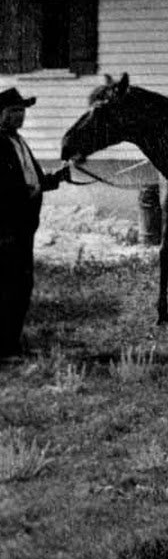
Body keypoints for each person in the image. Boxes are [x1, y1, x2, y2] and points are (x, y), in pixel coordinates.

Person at [1, 87, 70, 360]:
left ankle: (12, 343)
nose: (19, 116)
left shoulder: (20, 142)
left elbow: (34, 181)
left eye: (22, 111)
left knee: (22, 285)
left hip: (24, 228)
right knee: (6, 287)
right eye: (13, 111)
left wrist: (57, 178)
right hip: (5, 231)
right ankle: (4, 348)